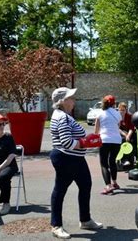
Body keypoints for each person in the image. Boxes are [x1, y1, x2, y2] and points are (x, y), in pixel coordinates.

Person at [50, 87, 103, 239]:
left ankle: (85, 220)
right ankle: (56, 226)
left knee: (86, 185)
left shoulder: (64, 115)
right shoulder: (62, 117)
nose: (74, 100)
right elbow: (66, 142)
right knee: (60, 190)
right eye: (71, 98)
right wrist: (86, 142)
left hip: (75, 158)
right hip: (66, 158)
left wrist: (86, 141)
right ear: (62, 101)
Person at [95, 95, 122, 195]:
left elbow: (96, 129)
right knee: (112, 161)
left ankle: (108, 186)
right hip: (117, 140)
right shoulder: (117, 113)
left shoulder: (100, 113)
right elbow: (118, 126)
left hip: (104, 140)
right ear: (114, 103)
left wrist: (96, 137)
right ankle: (114, 182)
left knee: (103, 163)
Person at [118, 102, 135, 167]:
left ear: (126, 110)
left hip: (129, 133)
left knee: (132, 141)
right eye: (120, 110)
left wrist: (128, 135)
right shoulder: (117, 117)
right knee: (122, 141)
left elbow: (131, 128)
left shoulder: (130, 116)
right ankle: (123, 159)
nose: (122, 112)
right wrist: (125, 135)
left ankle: (130, 159)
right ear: (118, 110)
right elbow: (117, 128)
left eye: (123, 110)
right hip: (121, 133)